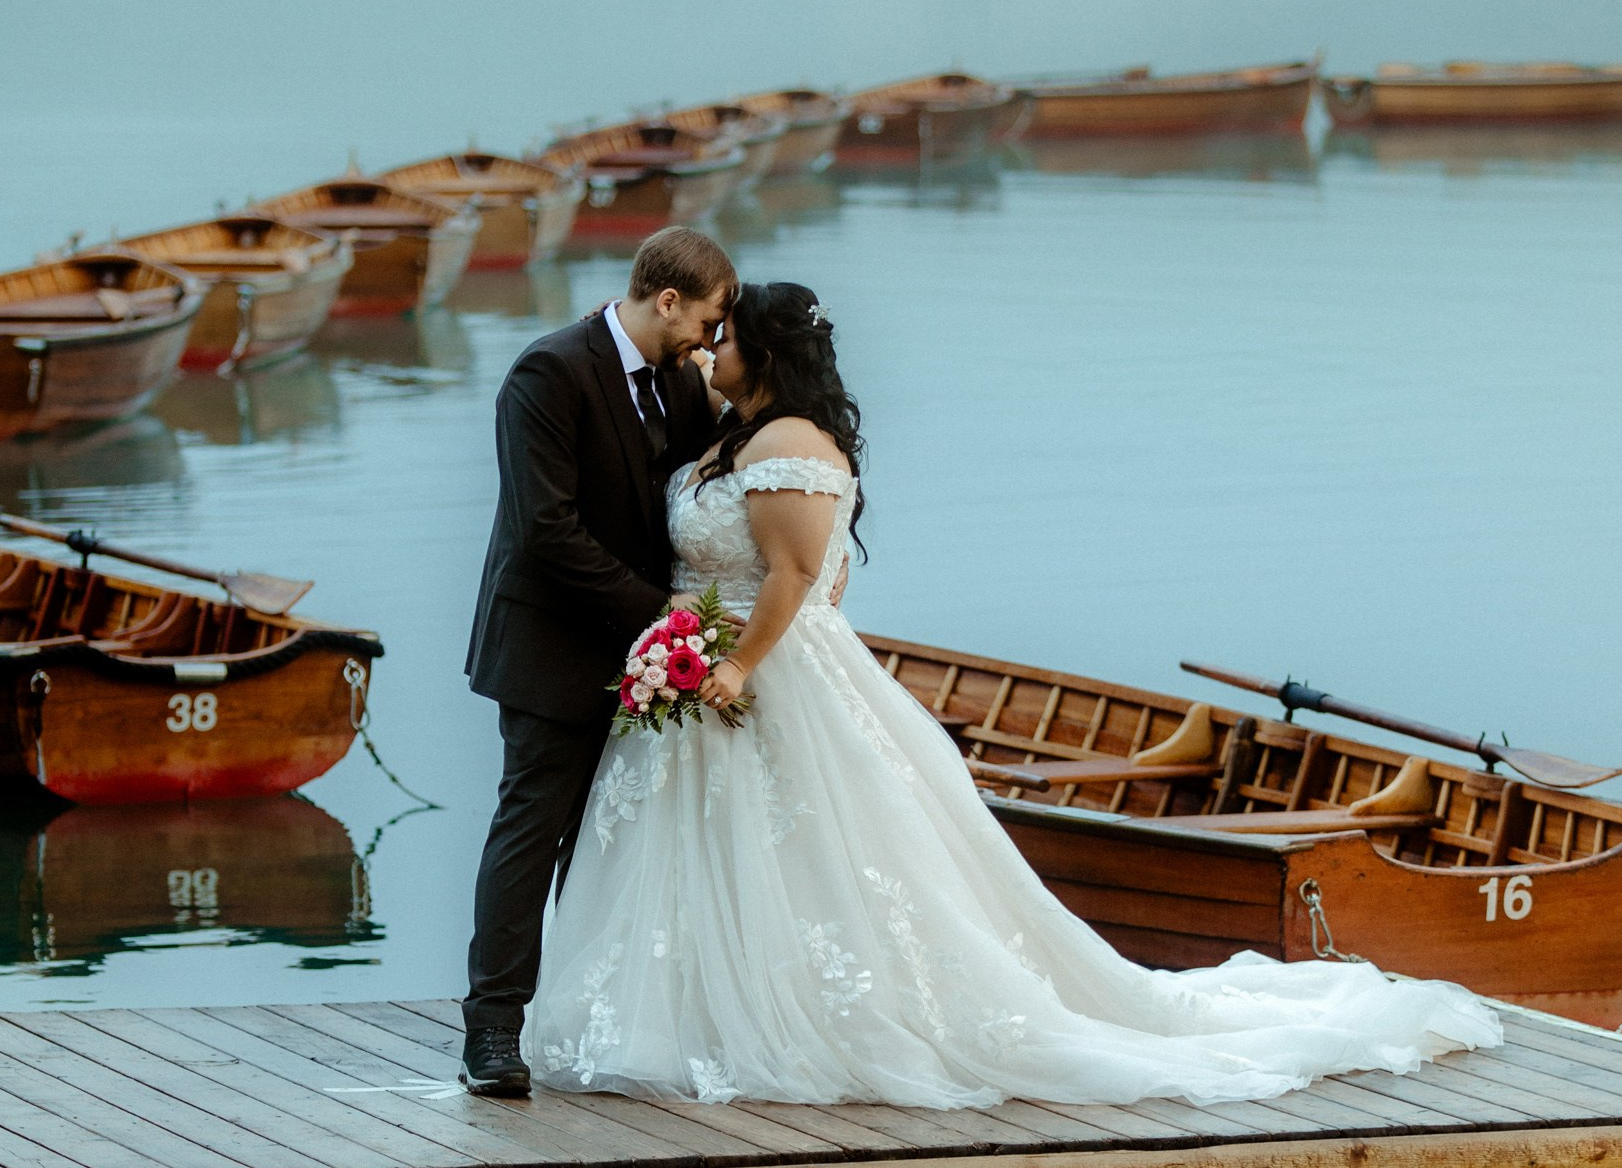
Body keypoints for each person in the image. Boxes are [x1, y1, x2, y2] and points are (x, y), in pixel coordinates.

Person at [524, 280, 1502, 1108]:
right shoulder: (737, 436)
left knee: (799, 854)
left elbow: (792, 579)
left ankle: (786, 1016)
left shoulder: (788, 443)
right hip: (704, 663)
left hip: (765, 675)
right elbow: (819, 577)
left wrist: (732, 663)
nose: (706, 346)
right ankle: (688, 1008)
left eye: (723, 335)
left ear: (763, 349)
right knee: (700, 849)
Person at [461, 225, 735, 1095]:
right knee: (530, 834)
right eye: (707, 321)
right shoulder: (548, 372)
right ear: (667, 302)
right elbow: (545, 531)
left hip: (651, 662)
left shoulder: (679, 385)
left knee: (612, 839)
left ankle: (585, 1023)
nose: (710, 341)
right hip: (550, 647)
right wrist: (661, 616)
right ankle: (493, 1033)